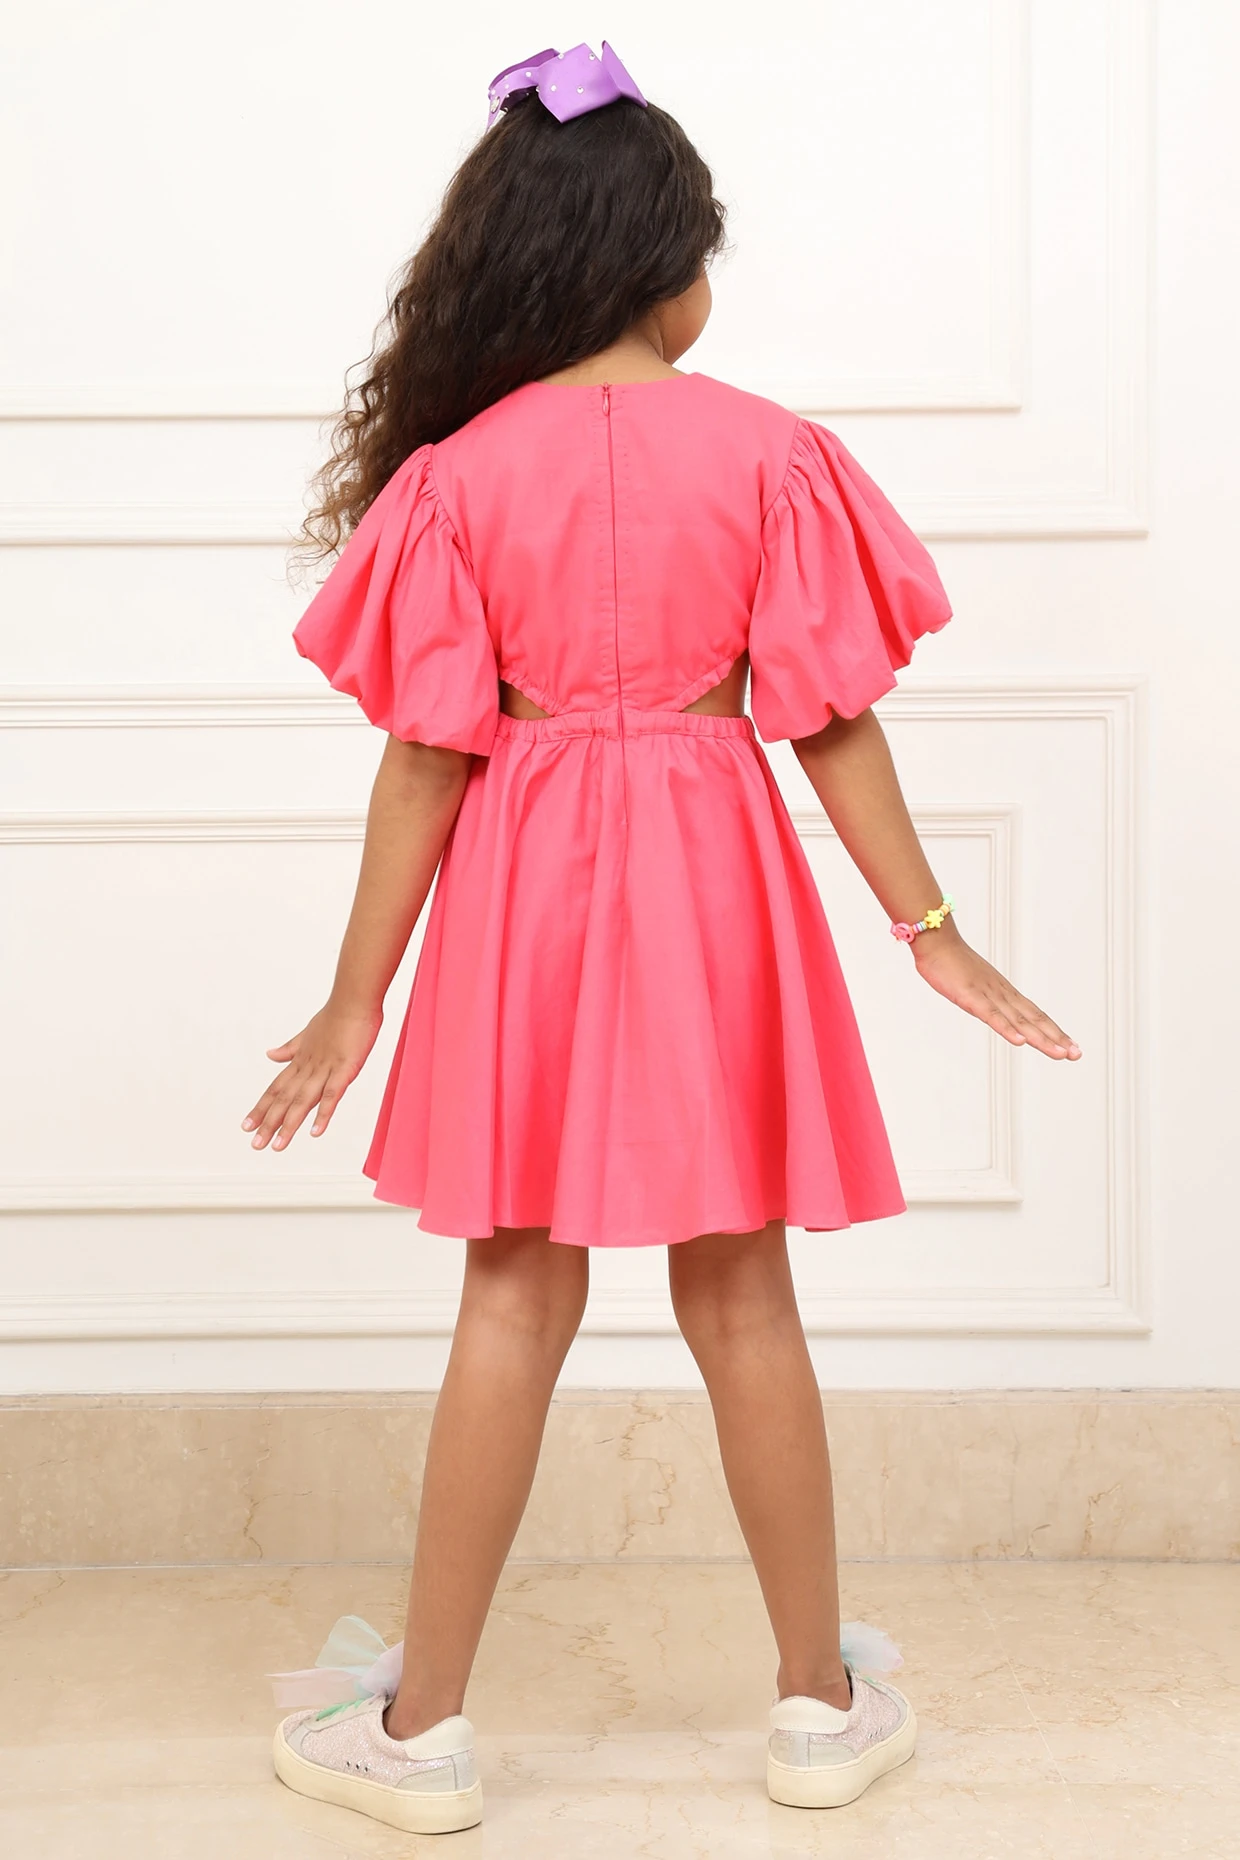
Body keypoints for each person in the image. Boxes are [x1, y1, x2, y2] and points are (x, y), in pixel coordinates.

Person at [246, 42, 1081, 1836]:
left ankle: (422, 1731)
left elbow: (426, 757)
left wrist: (355, 998)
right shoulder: (775, 454)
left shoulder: (458, 475)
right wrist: (930, 929)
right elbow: (829, 720)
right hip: (714, 869)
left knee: (512, 1288)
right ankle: (817, 1707)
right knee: (743, 1287)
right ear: (659, 266)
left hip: (526, 874)